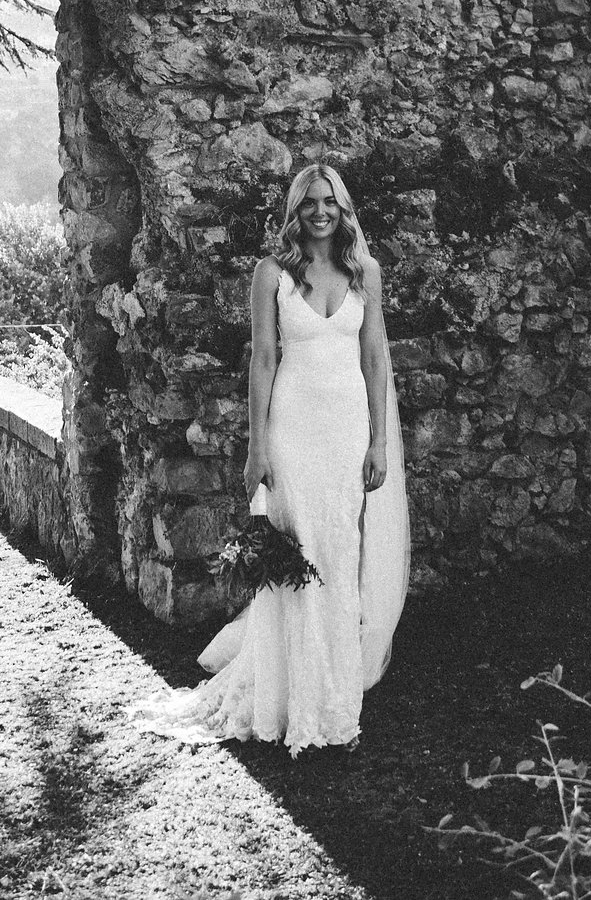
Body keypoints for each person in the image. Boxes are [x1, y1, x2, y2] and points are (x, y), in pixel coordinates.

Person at [130, 161, 410, 755]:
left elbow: (377, 361)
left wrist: (379, 440)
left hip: (345, 434)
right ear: (294, 210)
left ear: (344, 208)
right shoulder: (272, 275)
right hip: (292, 432)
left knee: (339, 552)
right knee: (293, 555)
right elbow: (262, 361)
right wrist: (257, 445)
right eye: (309, 202)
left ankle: (331, 693)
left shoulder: (366, 273)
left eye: (329, 201)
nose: (320, 212)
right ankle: (285, 695)